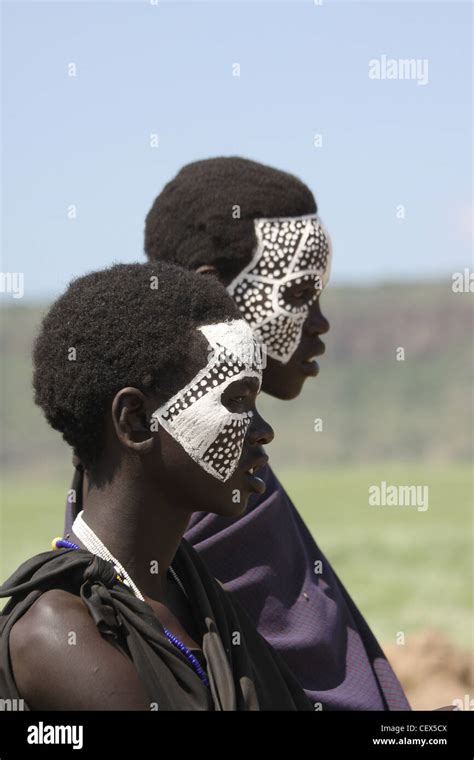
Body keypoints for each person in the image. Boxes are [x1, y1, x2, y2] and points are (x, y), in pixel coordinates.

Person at [141, 156, 411, 711]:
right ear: (216, 292)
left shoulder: (206, 451)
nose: (321, 321)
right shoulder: (194, 478)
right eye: (295, 296)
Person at [0, 262, 311, 711]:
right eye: (237, 400)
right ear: (137, 421)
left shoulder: (195, 596)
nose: (262, 430)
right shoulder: (56, 633)